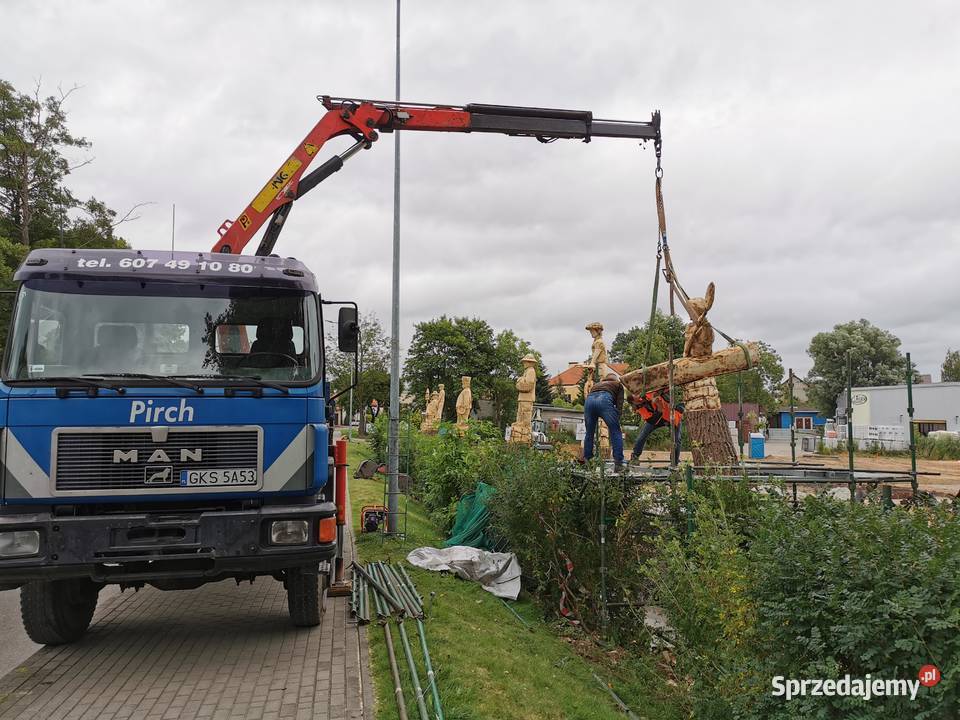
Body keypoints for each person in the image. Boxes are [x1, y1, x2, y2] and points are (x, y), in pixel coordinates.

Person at [581, 372, 625, 471]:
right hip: (604, 400)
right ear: (615, 379)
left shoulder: (597, 384)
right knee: (615, 432)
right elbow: (619, 404)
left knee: (589, 433)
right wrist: (617, 420)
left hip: (589, 401)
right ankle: (618, 463)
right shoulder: (618, 385)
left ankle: (588, 462)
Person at [629, 389, 684, 465]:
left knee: (677, 440)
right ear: (634, 403)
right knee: (642, 435)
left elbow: (665, 387)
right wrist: (659, 408)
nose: (640, 399)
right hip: (657, 419)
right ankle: (635, 456)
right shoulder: (640, 408)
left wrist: (658, 394)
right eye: (637, 400)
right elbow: (652, 420)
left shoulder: (649, 392)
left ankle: (674, 461)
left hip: (672, 416)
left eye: (638, 396)